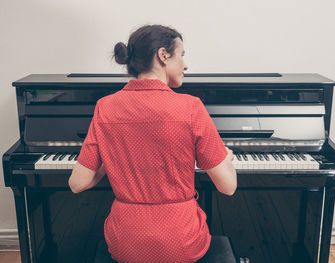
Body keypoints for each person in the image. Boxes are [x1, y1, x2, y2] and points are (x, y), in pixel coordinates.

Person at [68, 24, 237, 263]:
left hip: (124, 244)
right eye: (182, 55)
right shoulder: (191, 107)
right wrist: (226, 160)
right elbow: (228, 187)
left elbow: (77, 183)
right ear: (163, 55)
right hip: (181, 242)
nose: (186, 65)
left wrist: (113, 155)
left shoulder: (104, 107)